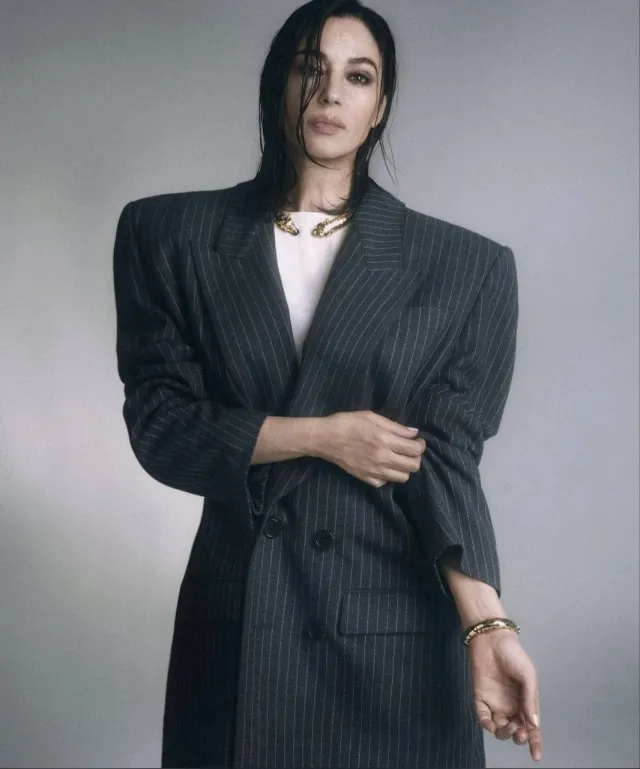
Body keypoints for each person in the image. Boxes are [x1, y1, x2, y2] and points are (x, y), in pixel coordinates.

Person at [113, 1, 542, 767]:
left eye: (358, 76)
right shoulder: (168, 237)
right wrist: (323, 437)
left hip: (390, 631)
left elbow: (444, 464)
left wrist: (488, 625)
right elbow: (161, 428)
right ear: (277, 83)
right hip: (241, 622)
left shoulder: (463, 267)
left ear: (381, 106)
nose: (330, 92)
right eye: (309, 68)